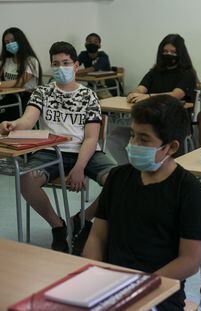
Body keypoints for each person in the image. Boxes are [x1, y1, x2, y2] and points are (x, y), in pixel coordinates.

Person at [83, 95, 201, 311]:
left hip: (159, 290)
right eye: (132, 136)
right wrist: (94, 274)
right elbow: (97, 235)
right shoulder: (118, 177)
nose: (132, 144)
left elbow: (190, 260)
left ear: (171, 147)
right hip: (110, 284)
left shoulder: (189, 191)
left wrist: (139, 286)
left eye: (144, 139)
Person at [0, 41, 116, 253]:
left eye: (66, 63)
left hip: (86, 151)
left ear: (76, 65)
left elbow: (91, 137)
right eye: (56, 63)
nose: (60, 67)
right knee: (25, 179)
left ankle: (82, 219)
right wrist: (13, 125)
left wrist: (79, 167)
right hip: (50, 152)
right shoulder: (42, 92)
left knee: (118, 181)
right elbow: (28, 119)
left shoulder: (88, 95)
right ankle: (58, 226)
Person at [107, 34, 197, 165]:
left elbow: (175, 95)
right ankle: (130, 170)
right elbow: (140, 89)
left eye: (173, 52)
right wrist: (135, 94)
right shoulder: (155, 72)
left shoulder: (187, 74)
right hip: (149, 120)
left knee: (148, 137)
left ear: (180, 54)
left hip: (173, 123)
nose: (168, 54)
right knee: (114, 136)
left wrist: (148, 97)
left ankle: (154, 168)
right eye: (165, 51)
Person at [0, 27, 42, 122]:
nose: (10, 44)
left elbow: (20, 82)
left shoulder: (31, 61)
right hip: (10, 97)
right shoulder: (6, 61)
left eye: (13, 41)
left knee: (5, 118)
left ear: (21, 41)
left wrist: (1, 84)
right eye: (7, 42)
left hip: (27, 99)